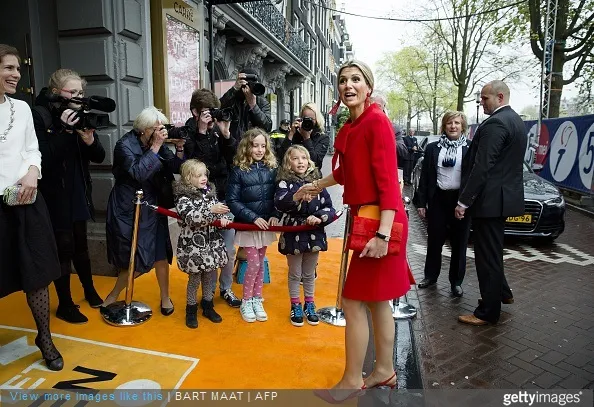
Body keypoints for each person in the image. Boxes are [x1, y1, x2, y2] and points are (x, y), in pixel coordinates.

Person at [300, 60, 410, 400]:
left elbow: (389, 183)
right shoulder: (356, 123)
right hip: (372, 220)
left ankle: (352, 379)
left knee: (351, 301)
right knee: (377, 303)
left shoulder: (376, 122)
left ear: (368, 86)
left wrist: (382, 235)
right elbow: (348, 172)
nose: (348, 85)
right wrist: (317, 184)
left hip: (380, 223)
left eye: (356, 79)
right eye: (343, 80)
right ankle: (384, 371)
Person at [0, 44, 63, 370]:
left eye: (17, 69)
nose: (16, 74)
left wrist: (33, 173)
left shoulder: (22, 109)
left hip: (25, 203)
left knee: (37, 276)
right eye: (8, 68)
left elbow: (31, 150)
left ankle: (45, 338)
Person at [32, 69, 106, 324]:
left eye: (81, 92)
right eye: (72, 92)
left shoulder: (80, 116)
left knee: (81, 245)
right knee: (63, 249)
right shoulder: (40, 116)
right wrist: (64, 130)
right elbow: (44, 159)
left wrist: (89, 141)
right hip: (54, 194)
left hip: (77, 189)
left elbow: (98, 156)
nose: (78, 97)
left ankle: (90, 290)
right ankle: (65, 303)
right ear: (56, 93)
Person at [455, 80, 526, 326]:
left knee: (487, 257)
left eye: (485, 99)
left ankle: (487, 311)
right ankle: (503, 293)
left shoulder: (496, 123)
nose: (481, 103)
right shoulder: (515, 120)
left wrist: (464, 201)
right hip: (502, 200)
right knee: (493, 251)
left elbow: (482, 166)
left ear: (500, 97)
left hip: (489, 202)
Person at [103, 107, 183, 314]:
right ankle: (114, 294)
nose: (160, 132)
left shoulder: (153, 142)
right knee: (135, 256)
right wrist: (156, 146)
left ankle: (165, 297)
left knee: (159, 253)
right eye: (156, 129)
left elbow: (175, 166)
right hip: (130, 206)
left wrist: (180, 148)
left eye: (161, 128)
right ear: (143, 130)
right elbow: (138, 172)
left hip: (153, 203)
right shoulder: (124, 145)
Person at [168, 88, 241, 308]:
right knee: (203, 251)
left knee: (227, 249)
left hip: (222, 197)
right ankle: (203, 297)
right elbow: (189, 168)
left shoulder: (219, 130)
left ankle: (225, 288)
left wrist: (226, 134)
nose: (211, 116)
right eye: (206, 112)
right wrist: (201, 131)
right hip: (197, 203)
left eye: (213, 111)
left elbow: (233, 159)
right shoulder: (187, 133)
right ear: (195, 112)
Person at [274, 145, 336, 327]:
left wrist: (318, 217)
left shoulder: (317, 182)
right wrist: (298, 196)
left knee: (309, 273)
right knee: (295, 273)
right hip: (293, 232)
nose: (300, 161)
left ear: (309, 161)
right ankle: (295, 305)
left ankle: (310, 304)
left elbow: (329, 207)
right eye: (295, 158)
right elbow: (280, 203)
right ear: (288, 162)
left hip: (313, 233)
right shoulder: (283, 182)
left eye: (303, 158)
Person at [414, 111, 472, 297]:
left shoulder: (470, 148)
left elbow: (473, 178)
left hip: (460, 202)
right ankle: (430, 276)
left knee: (459, 243)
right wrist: (421, 203)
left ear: (463, 126)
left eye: (456, 123)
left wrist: (467, 202)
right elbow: (426, 177)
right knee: (434, 241)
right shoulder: (432, 148)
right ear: (444, 126)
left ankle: (456, 282)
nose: (453, 126)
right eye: (449, 123)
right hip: (438, 198)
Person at [226, 128, 279, 323]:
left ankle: (257, 298)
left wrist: (274, 214)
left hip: (265, 225)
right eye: (255, 145)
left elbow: (277, 197)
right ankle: (246, 300)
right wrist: (252, 217)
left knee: (261, 262)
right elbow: (232, 200)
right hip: (249, 225)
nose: (259, 150)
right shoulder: (239, 170)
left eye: (263, 146)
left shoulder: (271, 169)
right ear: (246, 147)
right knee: (254, 263)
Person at [173, 159, 232, 329]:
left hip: (211, 244)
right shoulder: (183, 198)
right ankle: (190, 309)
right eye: (198, 175)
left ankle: (208, 305)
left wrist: (223, 218)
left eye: (204, 174)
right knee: (194, 279)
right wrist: (211, 211)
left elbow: (219, 212)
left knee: (209, 277)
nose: (203, 178)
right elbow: (191, 218)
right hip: (193, 247)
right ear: (188, 178)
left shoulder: (210, 194)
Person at [219, 67, 272, 142]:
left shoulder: (261, 102)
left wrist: (253, 105)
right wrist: (234, 89)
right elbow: (219, 108)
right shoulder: (233, 98)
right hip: (232, 145)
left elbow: (267, 126)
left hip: (253, 145)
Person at [278, 103, 330, 171]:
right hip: (291, 175)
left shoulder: (322, 137)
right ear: (300, 119)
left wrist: (307, 138)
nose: (308, 122)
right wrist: (291, 134)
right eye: (305, 119)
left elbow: (316, 162)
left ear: (317, 119)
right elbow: (282, 157)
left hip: (312, 177)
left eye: (311, 119)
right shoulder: (295, 133)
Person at [370, 94, 407, 164]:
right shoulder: (360, 124)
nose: (373, 109)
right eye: (370, 106)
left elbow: (403, 151)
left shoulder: (394, 128)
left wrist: (386, 137)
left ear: (383, 107)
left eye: (378, 106)